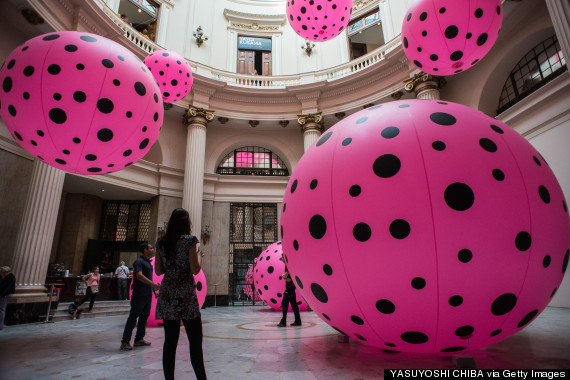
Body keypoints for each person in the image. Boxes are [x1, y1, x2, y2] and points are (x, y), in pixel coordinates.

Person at [155, 208, 207, 380]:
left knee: (170, 343)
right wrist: (199, 255)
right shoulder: (189, 241)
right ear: (187, 222)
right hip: (185, 296)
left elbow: (159, 270)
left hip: (168, 295)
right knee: (195, 342)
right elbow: (195, 268)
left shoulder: (161, 243)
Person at [120, 243, 160, 351]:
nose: (152, 249)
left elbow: (148, 277)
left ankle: (139, 339)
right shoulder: (139, 262)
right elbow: (139, 275)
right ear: (145, 249)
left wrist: (153, 290)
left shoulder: (148, 263)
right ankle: (125, 341)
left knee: (144, 317)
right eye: (150, 247)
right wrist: (153, 284)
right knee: (133, 318)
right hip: (139, 294)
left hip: (147, 294)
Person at [277, 261, 301, 327]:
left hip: (290, 287)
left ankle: (283, 322)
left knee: (284, 303)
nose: (281, 258)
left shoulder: (288, 265)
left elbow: (287, 278)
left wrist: (283, 276)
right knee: (294, 304)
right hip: (292, 286)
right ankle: (298, 321)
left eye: (282, 257)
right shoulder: (290, 264)